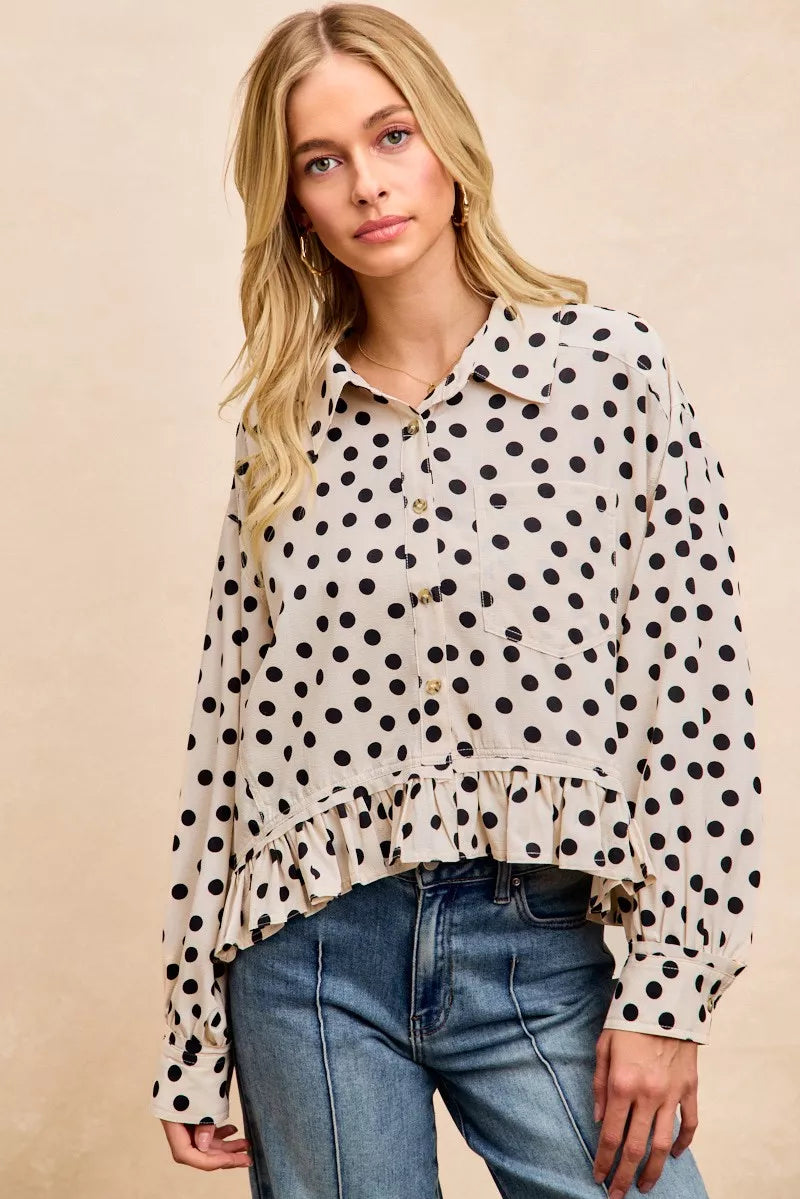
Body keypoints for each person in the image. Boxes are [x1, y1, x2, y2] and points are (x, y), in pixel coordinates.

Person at [150, 5, 763, 1197]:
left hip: (532, 939)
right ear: (294, 203)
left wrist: (668, 993)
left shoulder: (606, 373)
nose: (366, 184)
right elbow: (225, 728)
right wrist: (188, 1032)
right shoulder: (284, 426)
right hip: (308, 963)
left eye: (390, 136)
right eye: (320, 161)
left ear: (446, 144)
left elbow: (696, 697)